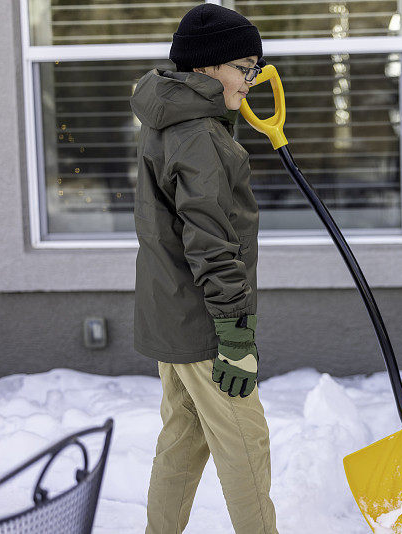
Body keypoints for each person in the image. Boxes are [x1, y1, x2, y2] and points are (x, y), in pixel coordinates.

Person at [129, 3, 277, 533]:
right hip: (204, 323)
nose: (251, 81)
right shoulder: (199, 135)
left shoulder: (167, 119)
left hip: (171, 312)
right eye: (245, 67)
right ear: (209, 68)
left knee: (183, 440)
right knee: (246, 446)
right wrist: (235, 331)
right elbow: (211, 242)